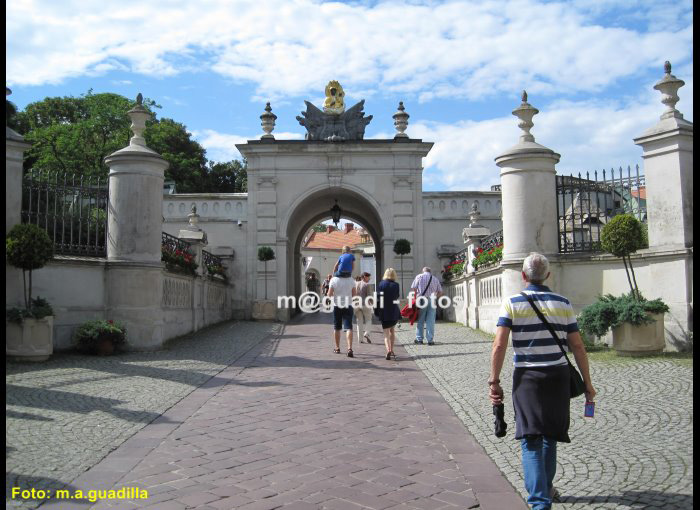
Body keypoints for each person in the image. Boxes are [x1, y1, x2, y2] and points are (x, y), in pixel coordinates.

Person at [488, 252, 596, 510]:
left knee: (531, 438)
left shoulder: (512, 303)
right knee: (549, 436)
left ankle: (539, 502)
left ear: (523, 276)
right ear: (548, 275)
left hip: (527, 378)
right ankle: (545, 489)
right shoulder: (563, 303)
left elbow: (500, 344)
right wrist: (588, 384)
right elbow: (578, 347)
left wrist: (494, 380)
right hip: (557, 377)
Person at [410, 267, 443, 345]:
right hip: (432, 300)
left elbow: (413, 288)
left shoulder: (419, 277)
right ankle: (430, 340)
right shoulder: (435, 279)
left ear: (423, 271)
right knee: (431, 321)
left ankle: (419, 339)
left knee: (421, 319)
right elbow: (441, 292)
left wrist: (416, 297)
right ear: (430, 272)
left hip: (422, 300)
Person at [327, 272, 357, 357]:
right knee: (349, 327)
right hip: (348, 305)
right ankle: (349, 348)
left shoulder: (333, 280)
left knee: (337, 327)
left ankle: (337, 348)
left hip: (337, 306)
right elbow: (354, 295)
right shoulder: (351, 280)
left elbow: (329, 294)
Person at [375, 268, 401, 360]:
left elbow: (378, 297)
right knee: (392, 331)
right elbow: (397, 296)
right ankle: (392, 349)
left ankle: (388, 350)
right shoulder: (396, 285)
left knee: (386, 334)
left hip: (384, 311)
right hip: (394, 310)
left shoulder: (381, 284)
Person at [354, 272, 373, 344]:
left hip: (356, 305)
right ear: (365, 277)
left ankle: (360, 339)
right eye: (369, 277)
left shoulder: (356, 283)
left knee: (359, 321)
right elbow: (369, 296)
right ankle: (367, 333)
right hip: (365, 304)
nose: (370, 279)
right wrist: (373, 304)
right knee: (368, 319)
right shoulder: (367, 285)